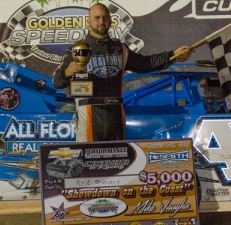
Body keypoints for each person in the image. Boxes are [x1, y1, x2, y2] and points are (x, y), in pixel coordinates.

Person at [53, 3, 193, 142]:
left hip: (116, 114)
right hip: (89, 112)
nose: (101, 21)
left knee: (117, 161)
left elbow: (146, 64)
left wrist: (173, 55)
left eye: (105, 17)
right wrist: (68, 71)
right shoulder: (77, 49)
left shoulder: (120, 48)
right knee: (88, 161)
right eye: (96, 18)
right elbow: (57, 81)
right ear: (89, 21)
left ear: (110, 20)